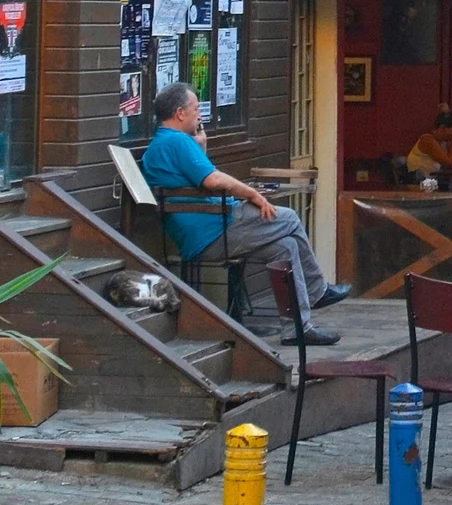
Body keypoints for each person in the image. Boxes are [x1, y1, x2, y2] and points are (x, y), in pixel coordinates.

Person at [141, 83, 349, 344]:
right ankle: (318, 291)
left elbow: (196, 179)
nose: (200, 115)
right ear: (180, 113)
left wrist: (202, 147)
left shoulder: (162, 145)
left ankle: (297, 328)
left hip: (202, 234)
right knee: (288, 218)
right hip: (214, 233)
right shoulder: (178, 142)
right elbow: (213, 181)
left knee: (285, 248)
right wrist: (253, 194)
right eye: (196, 109)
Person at [406, 109, 452, 183]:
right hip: (420, 184)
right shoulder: (427, 140)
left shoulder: (442, 143)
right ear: (443, 128)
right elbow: (451, 163)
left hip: (433, 181)